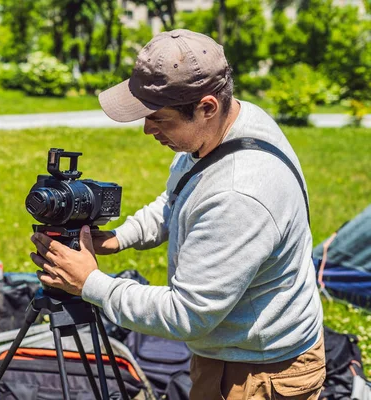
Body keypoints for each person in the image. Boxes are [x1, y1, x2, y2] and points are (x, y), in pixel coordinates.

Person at [30, 29, 325, 399]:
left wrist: (90, 283)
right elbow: (178, 197)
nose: (146, 129)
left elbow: (188, 314)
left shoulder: (240, 194)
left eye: (157, 118)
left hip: (259, 372)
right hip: (230, 351)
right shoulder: (224, 128)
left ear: (206, 107)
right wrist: (122, 237)